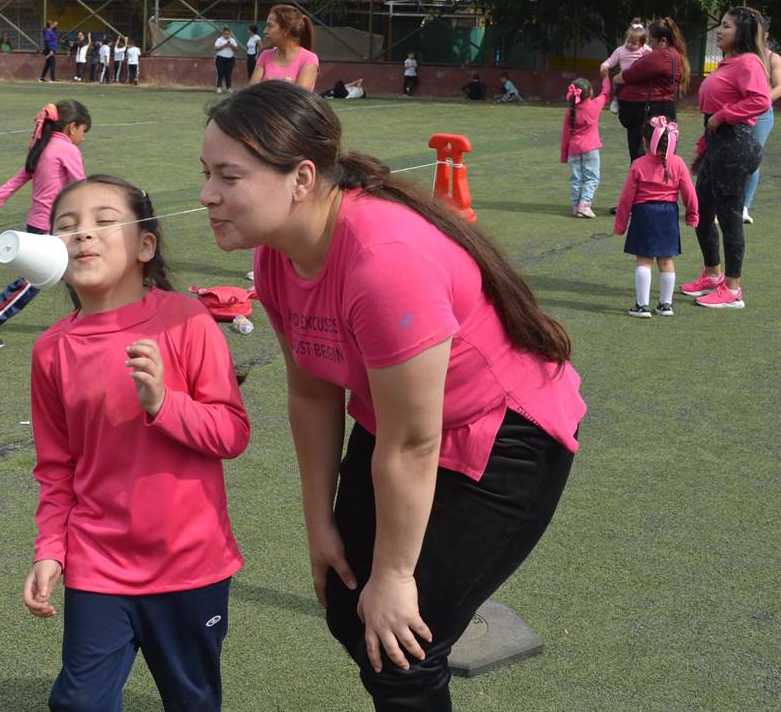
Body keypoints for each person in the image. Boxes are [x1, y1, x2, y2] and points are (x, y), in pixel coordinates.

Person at [200, 81, 584, 711]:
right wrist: (319, 522)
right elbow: (312, 394)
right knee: (352, 611)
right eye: (205, 172)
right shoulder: (276, 255)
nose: (207, 195)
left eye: (228, 176)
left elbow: (413, 442)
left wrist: (398, 575)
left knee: (401, 653)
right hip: (400, 426)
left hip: (502, 432)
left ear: (300, 178)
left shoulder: (384, 261)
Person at [24, 174, 249, 711]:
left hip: (190, 565)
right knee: (79, 703)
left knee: (192, 700)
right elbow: (56, 468)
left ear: (145, 245)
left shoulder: (186, 321)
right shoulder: (50, 350)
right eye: (67, 226)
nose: (83, 236)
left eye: (105, 222)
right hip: (98, 563)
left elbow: (232, 433)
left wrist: (163, 404)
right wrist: (51, 549)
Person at [0, 100, 90, 349]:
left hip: (40, 225)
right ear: (72, 127)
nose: (83, 139)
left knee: (76, 271)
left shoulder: (41, 148)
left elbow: (14, 182)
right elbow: (82, 186)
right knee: (33, 282)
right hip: (51, 229)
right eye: (83, 132)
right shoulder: (67, 150)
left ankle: (89, 319)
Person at [679, 6, 771, 311]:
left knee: (729, 219)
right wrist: (703, 150)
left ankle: (733, 290)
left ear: (741, 33)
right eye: (720, 25)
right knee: (701, 213)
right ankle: (713, 275)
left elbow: (759, 100)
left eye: (727, 27)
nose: (719, 31)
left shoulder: (749, 63)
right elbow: (711, 117)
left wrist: (723, 115)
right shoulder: (728, 62)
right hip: (718, 144)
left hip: (735, 146)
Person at [613, 116, 699, 318]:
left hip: (644, 215)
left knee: (644, 261)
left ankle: (642, 306)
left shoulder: (638, 164)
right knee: (666, 260)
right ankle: (665, 305)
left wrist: (620, 224)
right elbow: (690, 193)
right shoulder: (678, 163)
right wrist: (692, 216)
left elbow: (626, 198)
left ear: (645, 141)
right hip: (668, 215)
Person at [613, 18, 689, 162]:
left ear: (663, 41)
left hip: (647, 113)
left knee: (644, 159)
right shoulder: (672, 55)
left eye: (652, 42)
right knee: (658, 157)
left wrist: (615, 78)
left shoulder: (660, 56)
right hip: (654, 110)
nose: (650, 46)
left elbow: (630, 74)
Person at [559, 72, 611, 218]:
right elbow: (606, 93)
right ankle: (585, 204)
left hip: (573, 150)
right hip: (591, 148)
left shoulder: (569, 111)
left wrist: (564, 155)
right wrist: (606, 77)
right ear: (590, 93)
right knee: (591, 177)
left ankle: (576, 206)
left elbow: (565, 135)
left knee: (576, 179)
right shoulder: (594, 106)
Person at [742, 19, 779, 223]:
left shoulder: (773, 58)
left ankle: (744, 207)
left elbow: (779, 86)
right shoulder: (740, 56)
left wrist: (758, 103)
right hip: (737, 112)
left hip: (762, 114)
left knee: (752, 159)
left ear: (765, 36)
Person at [250, 5, 318, 91]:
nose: (265, 31)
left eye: (270, 26)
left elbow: (299, 100)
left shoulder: (309, 59)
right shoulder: (264, 56)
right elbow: (252, 95)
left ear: (285, 30)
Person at [600, 20, 650, 115]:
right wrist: (604, 65)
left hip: (639, 77)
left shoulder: (644, 49)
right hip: (625, 77)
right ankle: (615, 101)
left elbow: (653, 54)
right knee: (619, 88)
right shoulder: (620, 50)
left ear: (642, 44)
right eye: (627, 41)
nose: (629, 45)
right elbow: (611, 60)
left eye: (634, 43)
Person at [214, 26, 238, 93]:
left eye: (228, 34)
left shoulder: (232, 40)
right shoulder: (219, 40)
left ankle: (229, 88)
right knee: (220, 74)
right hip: (220, 59)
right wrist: (224, 45)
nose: (227, 35)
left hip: (230, 60)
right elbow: (216, 48)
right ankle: (219, 87)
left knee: (228, 74)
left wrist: (231, 45)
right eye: (226, 34)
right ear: (223, 34)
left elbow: (236, 49)